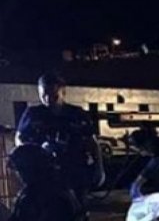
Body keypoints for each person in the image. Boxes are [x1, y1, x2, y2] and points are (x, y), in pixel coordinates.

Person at [16, 73, 105, 202]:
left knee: (77, 207)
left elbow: (92, 142)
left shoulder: (76, 114)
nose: (48, 99)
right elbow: (20, 139)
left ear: (63, 92)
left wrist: (99, 169)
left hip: (74, 172)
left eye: (53, 95)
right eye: (44, 95)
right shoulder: (33, 114)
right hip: (43, 174)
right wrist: (36, 152)